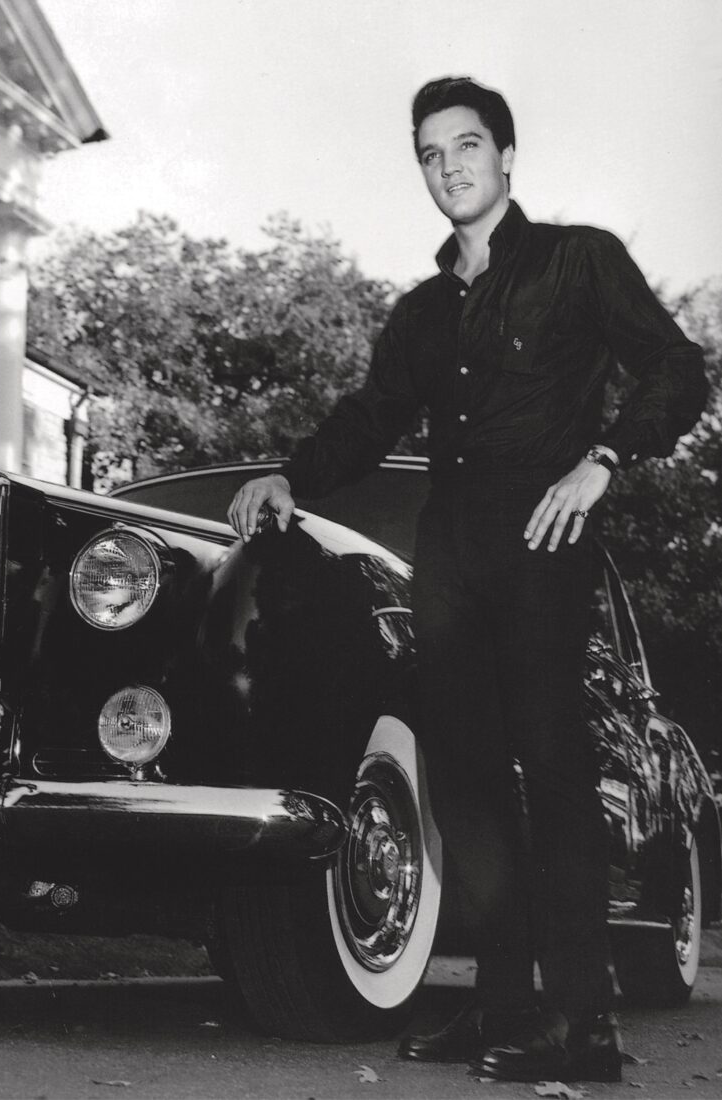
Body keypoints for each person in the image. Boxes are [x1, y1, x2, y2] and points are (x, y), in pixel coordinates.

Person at [227, 76, 707, 1084]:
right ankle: (504, 1003)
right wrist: (287, 473)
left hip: (542, 538)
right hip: (451, 552)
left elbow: (678, 370)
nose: (450, 167)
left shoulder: (580, 262)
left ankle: (584, 1021)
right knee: (469, 785)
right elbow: (369, 419)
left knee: (552, 767)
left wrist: (606, 460)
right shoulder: (423, 311)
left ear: (505, 155)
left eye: (467, 145)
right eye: (430, 154)